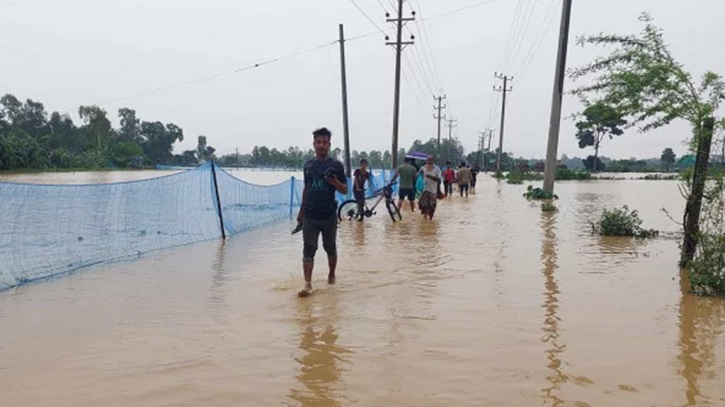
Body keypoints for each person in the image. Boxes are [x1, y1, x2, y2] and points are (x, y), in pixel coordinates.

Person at [296, 127, 348, 297]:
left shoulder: (336, 166)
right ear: (314, 144)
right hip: (310, 215)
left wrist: (334, 182)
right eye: (318, 142)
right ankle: (308, 284)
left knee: (330, 248)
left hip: (329, 215)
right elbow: (306, 188)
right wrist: (301, 211)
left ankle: (331, 275)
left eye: (324, 142)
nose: (321, 145)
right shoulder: (308, 166)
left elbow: (345, 190)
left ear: (329, 144)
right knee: (308, 249)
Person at [418, 155, 442, 220]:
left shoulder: (437, 169)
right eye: (427, 161)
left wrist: (431, 177)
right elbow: (418, 175)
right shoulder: (423, 168)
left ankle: (431, 218)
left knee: (432, 205)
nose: (428, 162)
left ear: (432, 161)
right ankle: (425, 216)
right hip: (425, 189)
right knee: (423, 204)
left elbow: (439, 179)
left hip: (433, 190)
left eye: (430, 161)